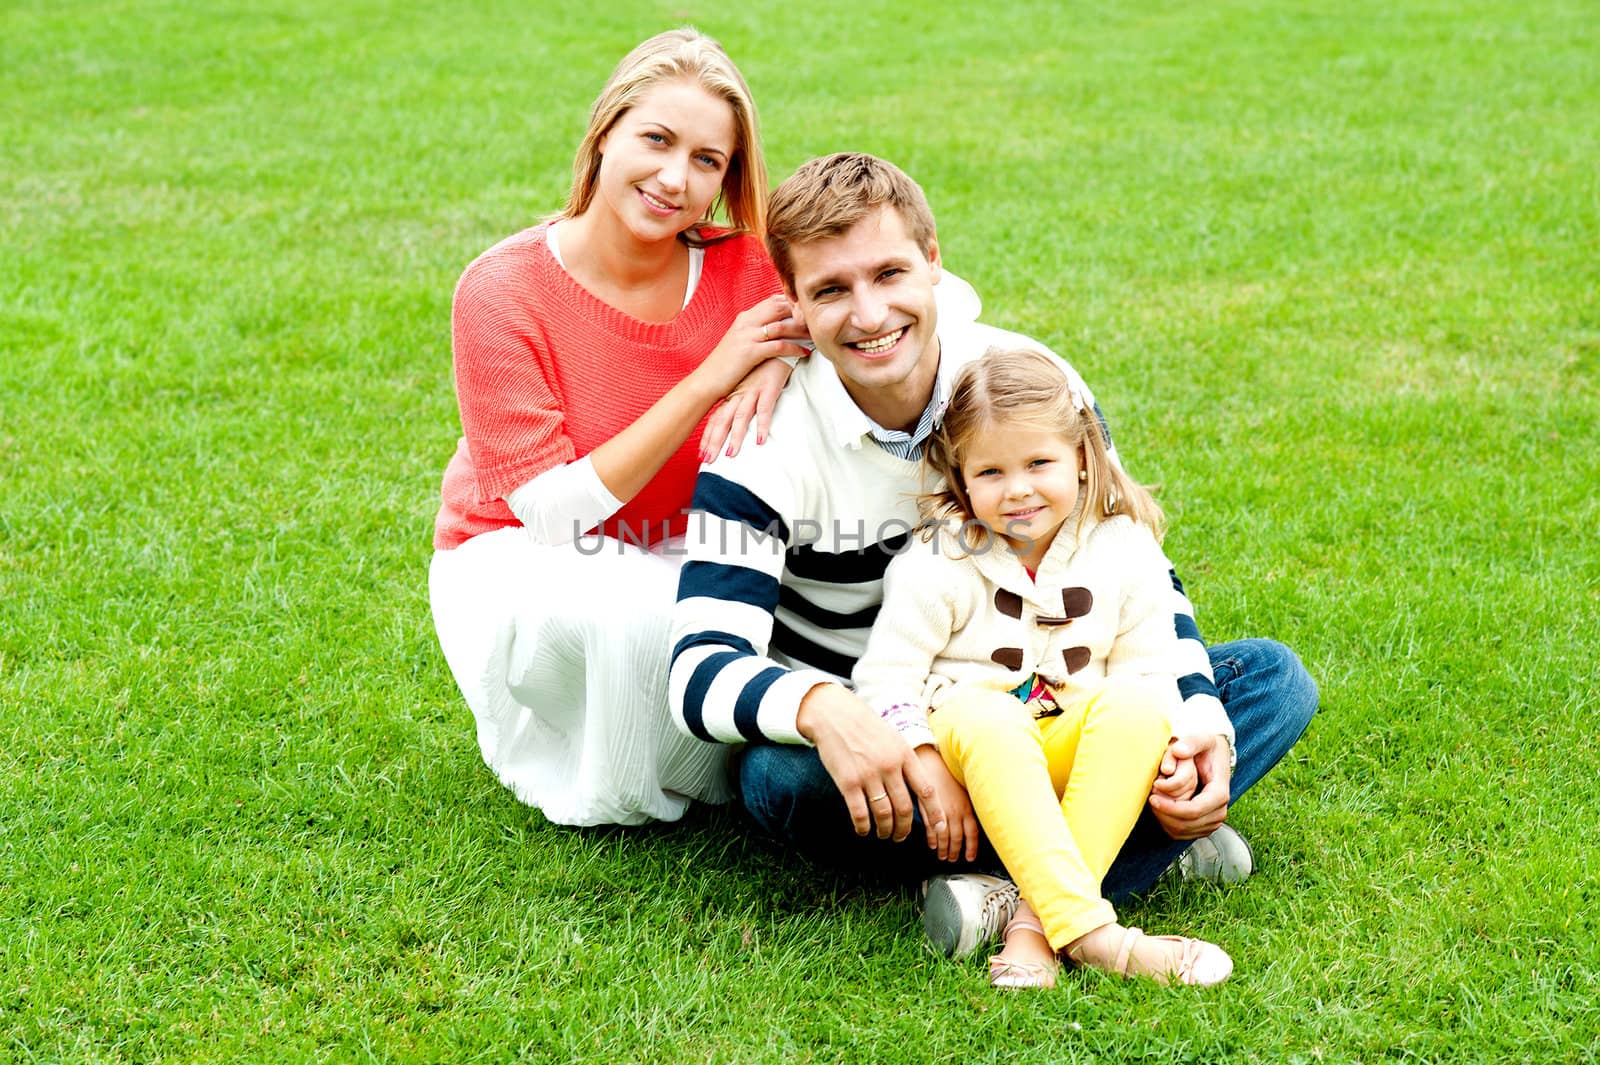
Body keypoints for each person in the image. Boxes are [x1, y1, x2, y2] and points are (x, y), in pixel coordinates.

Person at [668, 152, 1317, 947]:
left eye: (890, 273)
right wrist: (826, 709)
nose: (869, 314)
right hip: (890, 730)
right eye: (831, 289)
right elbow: (696, 668)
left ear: (935, 263)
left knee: (1271, 682)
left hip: (1061, 707)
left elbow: (1143, 575)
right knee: (779, 780)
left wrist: (1200, 729)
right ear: (795, 303)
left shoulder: (1033, 383)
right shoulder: (758, 444)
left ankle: (1009, 903)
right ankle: (1130, 856)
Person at [429, 29, 812, 826]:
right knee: (633, 618)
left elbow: (917, 294)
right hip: (530, 554)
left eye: (707, 160)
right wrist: (714, 372)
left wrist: (781, 356)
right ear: (605, 133)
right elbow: (556, 514)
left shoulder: (750, 266)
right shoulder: (502, 291)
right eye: (656, 140)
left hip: (684, 533)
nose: (675, 178)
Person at [852, 346, 1232, 988]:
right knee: (991, 713)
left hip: (1074, 748)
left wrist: (1173, 761)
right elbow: (885, 679)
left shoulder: (1124, 547)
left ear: (1083, 458)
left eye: (1039, 463)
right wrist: (919, 754)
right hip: (969, 753)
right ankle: (1097, 933)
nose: (1018, 489)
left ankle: (1031, 924)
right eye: (992, 471)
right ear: (961, 476)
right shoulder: (939, 555)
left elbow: (1149, 674)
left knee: (1145, 705)